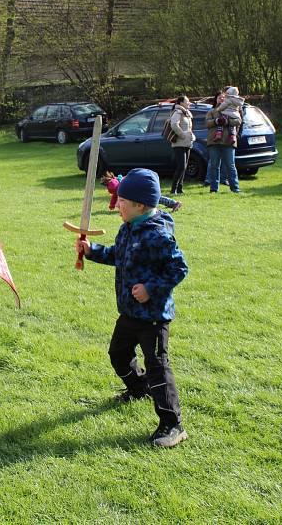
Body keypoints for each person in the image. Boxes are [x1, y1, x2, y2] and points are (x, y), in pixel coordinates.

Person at [75, 168, 189, 448]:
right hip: (128, 312)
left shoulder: (158, 235)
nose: (116, 205)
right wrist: (92, 251)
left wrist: (150, 287)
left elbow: (179, 268)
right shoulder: (128, 228)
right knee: (118, 353)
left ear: (140, 205)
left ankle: (172, 424)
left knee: (157, 367)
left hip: (152, 317)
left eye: (121, 201)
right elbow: (118, 255)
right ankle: (139, 389)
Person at [205, 90, 242, 193]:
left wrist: (227, 121)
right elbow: (207, 124)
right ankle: (213, 189)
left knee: (231, 165)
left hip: (228, 142)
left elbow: (238, 121)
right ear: (216, 100)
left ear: (227, 99)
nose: (221, 99)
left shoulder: (233, 110)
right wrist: (216, 121)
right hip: (214, 142)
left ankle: (235, 188)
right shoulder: (212, 111)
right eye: (219, 97)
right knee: (214, 166)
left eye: (223, 97)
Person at [101, 171, 180, 212]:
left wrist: (112, 205)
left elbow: (115, 194)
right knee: (154, 199)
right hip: (141, 185)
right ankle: (171, 204)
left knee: (154, 199)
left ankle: (174, 203)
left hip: (140, 189)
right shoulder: (116, 179)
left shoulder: (112, 184)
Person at [168, 95, 197, 194]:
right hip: (179, 143)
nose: (189, 103)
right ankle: (173, 189)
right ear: (181, 103)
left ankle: (180, 189)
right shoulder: (178, 112)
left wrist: (191, 136)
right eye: (187, 101)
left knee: (184, 167)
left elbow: (188, 128)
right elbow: (174, 125)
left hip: (187, 143)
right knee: (181, 166)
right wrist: (182, 135)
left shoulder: (187, 113)